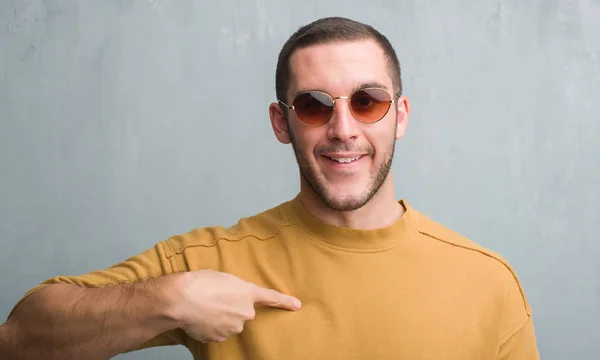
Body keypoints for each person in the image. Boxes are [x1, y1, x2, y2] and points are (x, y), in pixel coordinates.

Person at [0, 16, 540, 360]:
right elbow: (19, 340)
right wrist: (170, 299)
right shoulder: (209, 262)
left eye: (367, 101)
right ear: (282, 124)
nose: (343, 128)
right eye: (313, 105)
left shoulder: (487, 282)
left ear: (400, 116)